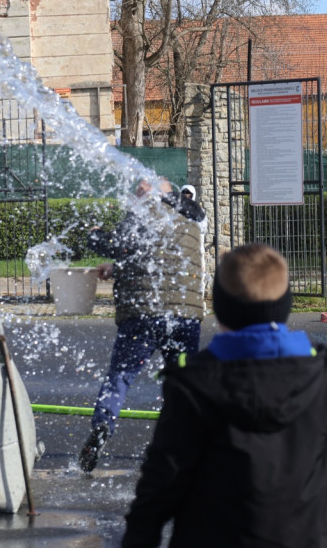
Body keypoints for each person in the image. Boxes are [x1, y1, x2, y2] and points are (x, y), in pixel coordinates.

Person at [122, 243, 327, 548]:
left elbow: (163, 480)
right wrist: (304, 484)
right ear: (285, 305)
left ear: (221, 307)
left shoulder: (193, 382)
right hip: (311, 534)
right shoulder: (322, 371)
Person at [78, 178, 205, 473]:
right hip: (185, 317)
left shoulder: (141, 217)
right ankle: (185, 446)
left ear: (161, 195)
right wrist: (117, 267)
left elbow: (112, 243)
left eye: (141, 192)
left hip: (143, 316)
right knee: (183, 384)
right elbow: (155, 256)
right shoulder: (192, 217)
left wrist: (94, 234)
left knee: (120, 378)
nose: (136, 198)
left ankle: (103, 426)